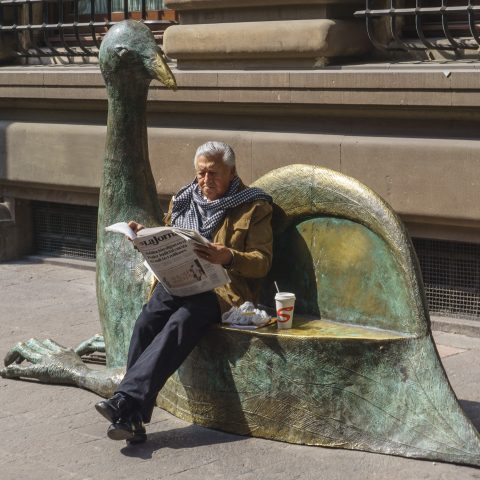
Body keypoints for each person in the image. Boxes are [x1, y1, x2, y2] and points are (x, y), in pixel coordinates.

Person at [95, 141, 273, 444]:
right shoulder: (184, 199)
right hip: (179, 282)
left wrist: (228, 256)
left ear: (231, 172)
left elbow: (262, 262)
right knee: (146, 321)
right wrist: (144, 237)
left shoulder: (254, 206)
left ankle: (125, 403)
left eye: (214, 174)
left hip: (221, 292)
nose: (206, 181)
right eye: (201, 173)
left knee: (181, 322)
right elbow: (170, 238)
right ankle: (132, 416)